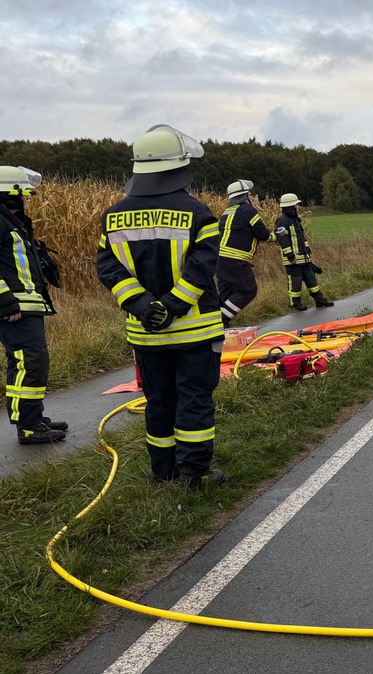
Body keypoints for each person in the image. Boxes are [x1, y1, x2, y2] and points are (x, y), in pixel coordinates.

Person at [95, 125, 224, 488]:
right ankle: (194, 472)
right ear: (178, 167)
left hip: (146, 334)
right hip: (195, 332)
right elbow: (201, 270)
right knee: (194, 400)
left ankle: (162, 471)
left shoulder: (112, 216)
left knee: (158, 401)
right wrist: (171, 306)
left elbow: (108, 268)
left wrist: (142, 305)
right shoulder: (198, 213)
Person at [0, 166, 65, 445]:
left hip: (27, 306)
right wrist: (5, 303)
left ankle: (33, 418)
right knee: (30, 362)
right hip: (15, 309)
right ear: (8, 194)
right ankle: (28, 426)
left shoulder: (14, 223)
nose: (27, 199)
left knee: (30, 362)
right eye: (23, 194)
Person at [215, 179, 274, 327]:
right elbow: (262, 233)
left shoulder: (227, 212)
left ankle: (219, 328)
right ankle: (220, 320)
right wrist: (275, 237)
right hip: (235, 259)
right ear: (245, 196)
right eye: (250, 194)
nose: (252, 197)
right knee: (248, 291)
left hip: (219, 260)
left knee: (226, 295)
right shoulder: (248, 210)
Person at [275, 193, 334, 311]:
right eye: (296, 205)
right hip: (292, 260)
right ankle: (295, 303)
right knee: (295, 282)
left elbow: (302, 238)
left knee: (311, 279)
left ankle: (319, 300)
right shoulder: (282, 221)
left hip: (303, 257)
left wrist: (307, 250)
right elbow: (282, 239)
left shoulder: (295, 220)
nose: (298, 207)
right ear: (291, 206)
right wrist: (290, 255)